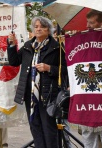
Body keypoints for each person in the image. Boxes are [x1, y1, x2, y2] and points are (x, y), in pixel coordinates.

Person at [8, 16, 66, 148]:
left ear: (49, 30)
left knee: (49, 128)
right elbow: (14, 62)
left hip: (48, 94)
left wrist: (49, 68)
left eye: (42, 27)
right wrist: (11, 45)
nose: (39, 29)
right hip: (30, 94)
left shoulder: (56, 47)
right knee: (35, 126)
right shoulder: (29, 45)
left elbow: (65, 70)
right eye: (36, 27)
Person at [81, 9, 102, 148]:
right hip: (87, 96)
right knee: (88, 131)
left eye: (91, 23)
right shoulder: (83, 39)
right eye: (87, 22)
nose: (87, 25)